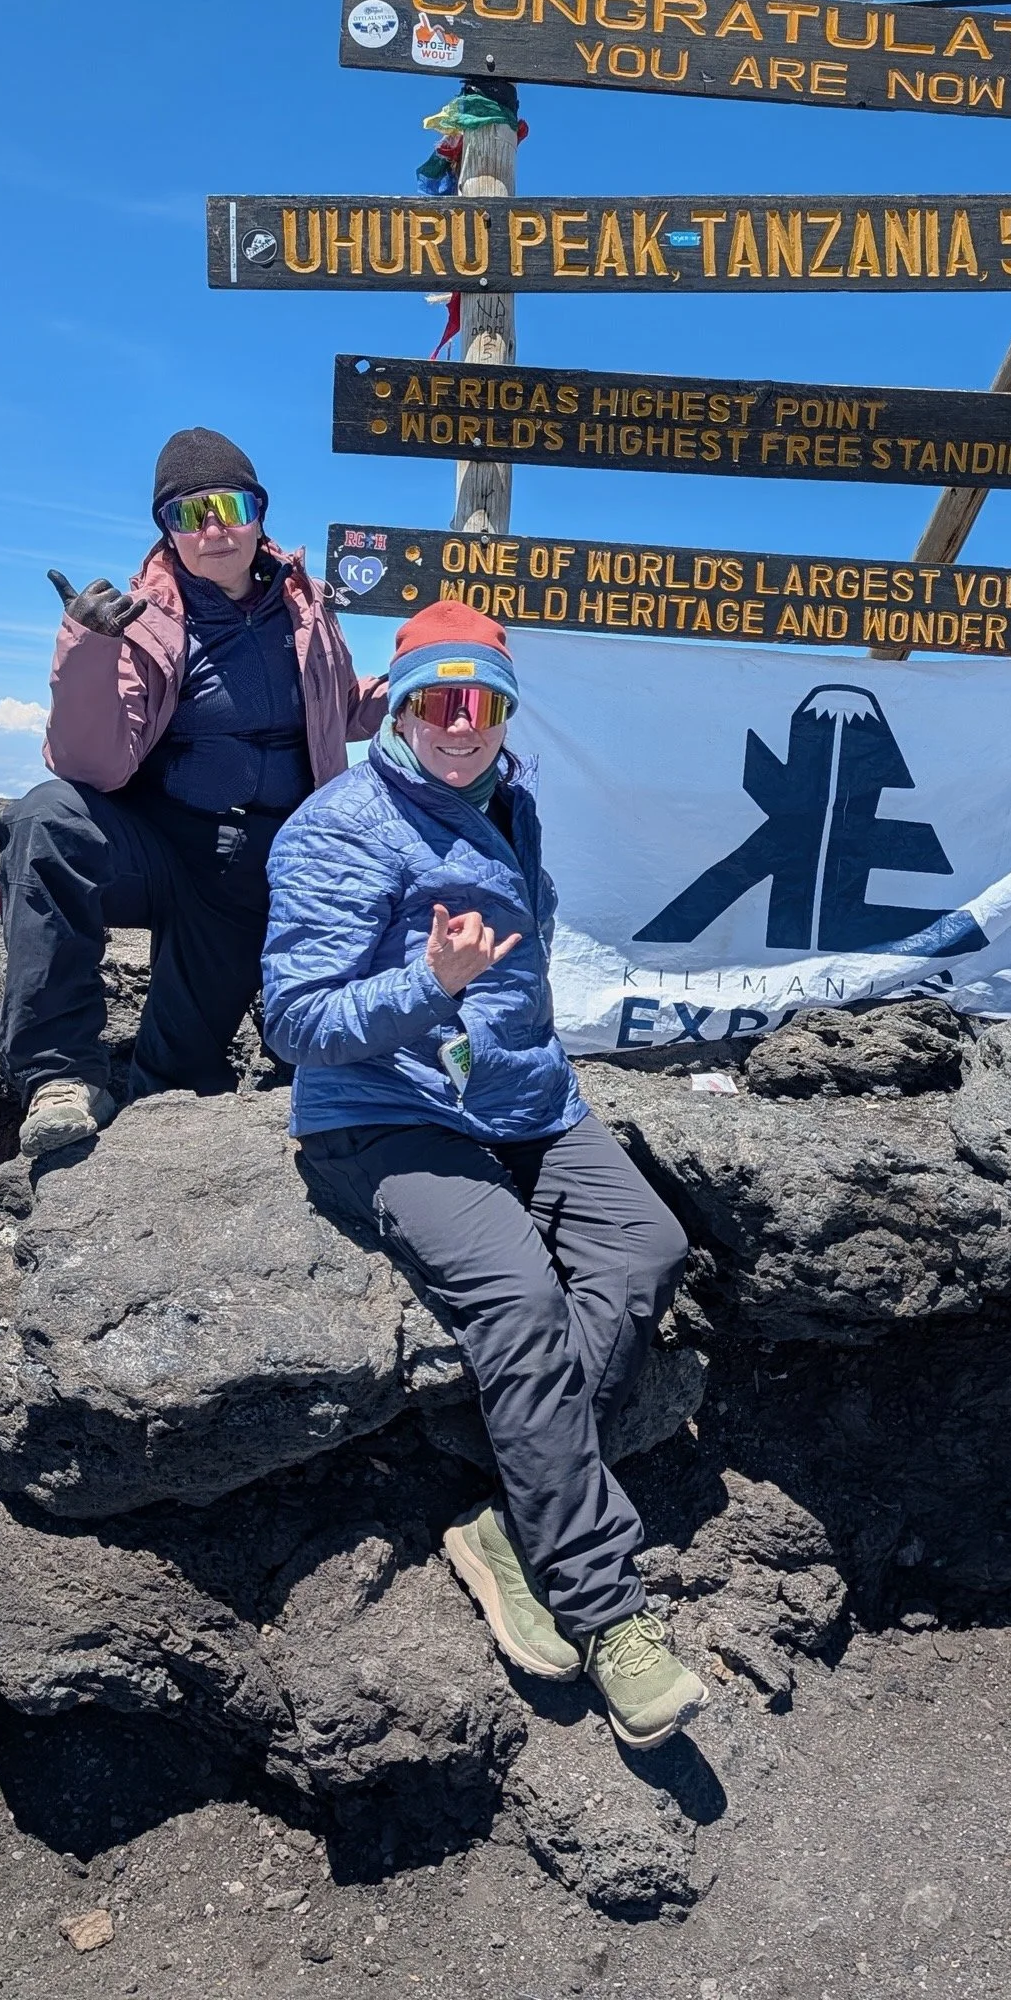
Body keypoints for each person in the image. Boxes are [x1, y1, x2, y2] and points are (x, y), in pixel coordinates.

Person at [260, 600, 707, 1753]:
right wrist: (428, 984)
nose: (461, 722)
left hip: (525, 1101)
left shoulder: (512, 800)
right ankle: (605, 1611)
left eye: (484, 700)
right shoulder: (337, 828)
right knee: (519, 1299)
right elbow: (293, 1019)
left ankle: (513, 1523)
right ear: (398, 706)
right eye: (436, 699)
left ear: (507, 709)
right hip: (385, 1114)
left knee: (644, 1248)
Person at [0, 428, 385, 1155]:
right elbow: (90, 764)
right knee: (46, 819)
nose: (214, 528)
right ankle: (60, 1076)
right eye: (187, 513)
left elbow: (343, 705)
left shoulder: (308, 609)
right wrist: (87, 649)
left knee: (177, 1081)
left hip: (265, 867)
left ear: (260, 512)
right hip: (165, 846)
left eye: (231, 504)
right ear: (166, 532)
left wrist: (425, 680)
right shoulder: (141, 621)